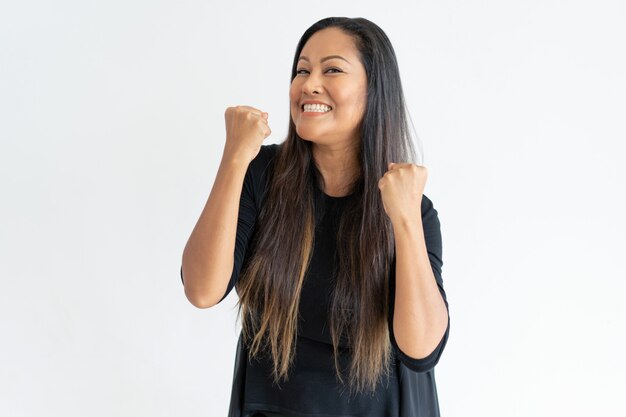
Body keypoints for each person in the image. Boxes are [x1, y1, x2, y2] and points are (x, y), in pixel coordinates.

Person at [180, 17, 451, 417]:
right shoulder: (262, 175)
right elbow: (202, 290)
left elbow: (422, 350)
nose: (308, 84)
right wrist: (235, 158)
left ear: (374, 90)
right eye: (302, 70)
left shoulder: (408, 204)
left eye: (332, 69)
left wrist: (406, 220)